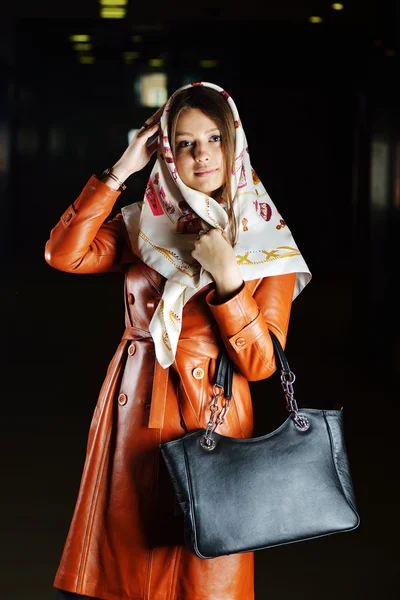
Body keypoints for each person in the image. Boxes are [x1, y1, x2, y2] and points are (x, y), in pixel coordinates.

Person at [45, 81, 311, 600]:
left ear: (233, 142)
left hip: (210, 417)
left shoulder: (266, 238)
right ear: (166, 151)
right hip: (132, 417)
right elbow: (64, 254)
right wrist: (122, 169)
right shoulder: (142, 223)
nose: (202, 154)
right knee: (119, 570)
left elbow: (261, 363)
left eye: (213, 137)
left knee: (199, 573)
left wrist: (229, 278)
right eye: (185, 143)